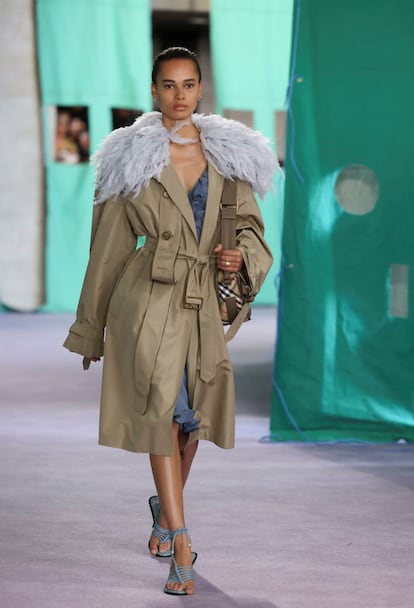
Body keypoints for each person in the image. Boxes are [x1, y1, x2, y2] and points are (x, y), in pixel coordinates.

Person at [64, 47, 277, 596]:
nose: (179, 96)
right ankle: (181, 540)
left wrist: (238, 258)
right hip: (146, 300)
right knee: (163, 409)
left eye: (188, 85)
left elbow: (251, 233)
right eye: (168, 85)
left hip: (204, 300)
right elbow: (108, 247)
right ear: (153, 91)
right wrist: (92, 327)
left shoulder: (231, 156)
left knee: (192, 417)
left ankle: (164, 507)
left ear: (200, 89)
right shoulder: (128, 158)